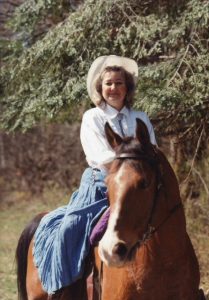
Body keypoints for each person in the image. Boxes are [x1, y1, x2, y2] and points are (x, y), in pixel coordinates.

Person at [33, 55, 157, 295]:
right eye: (108, 83)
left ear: (127, 87)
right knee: (71, 228)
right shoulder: (93, 118)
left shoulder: (140, 118)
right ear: (100, 88)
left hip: (139, 188)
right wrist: (129, 172)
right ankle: (65, 291)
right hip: (102, 184)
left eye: (119, 83)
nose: (113, 88)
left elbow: (152, 151)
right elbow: (101, 157)